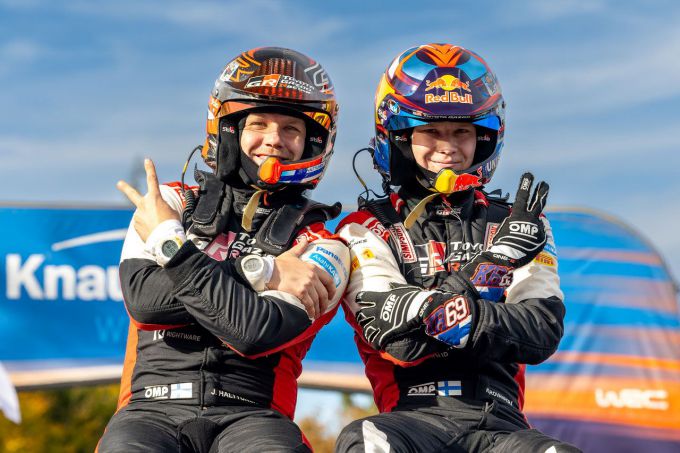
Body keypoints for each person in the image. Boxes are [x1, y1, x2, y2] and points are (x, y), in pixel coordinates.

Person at [98, 47, 349, 453]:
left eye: (291, 128)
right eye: (259, 124)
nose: (274, 139)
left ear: (312, 142)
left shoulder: (324, 244)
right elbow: (146, 302)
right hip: (148, 413)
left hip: (254, 418)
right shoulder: (169, 201)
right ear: (229, 130)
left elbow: (253, 332)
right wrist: (262, 271)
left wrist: (172, 247)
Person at [335, 43, 581, 452]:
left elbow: (541, 331)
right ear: (398, 137)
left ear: (484, 138)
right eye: (430, 131)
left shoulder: (522, 221)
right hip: (412, 419)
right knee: (364, 440)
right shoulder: (365, 227)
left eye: (462, 131)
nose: (447, 146)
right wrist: (496, 263)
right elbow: (397, 338)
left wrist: (436, 314)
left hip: (505, 424)